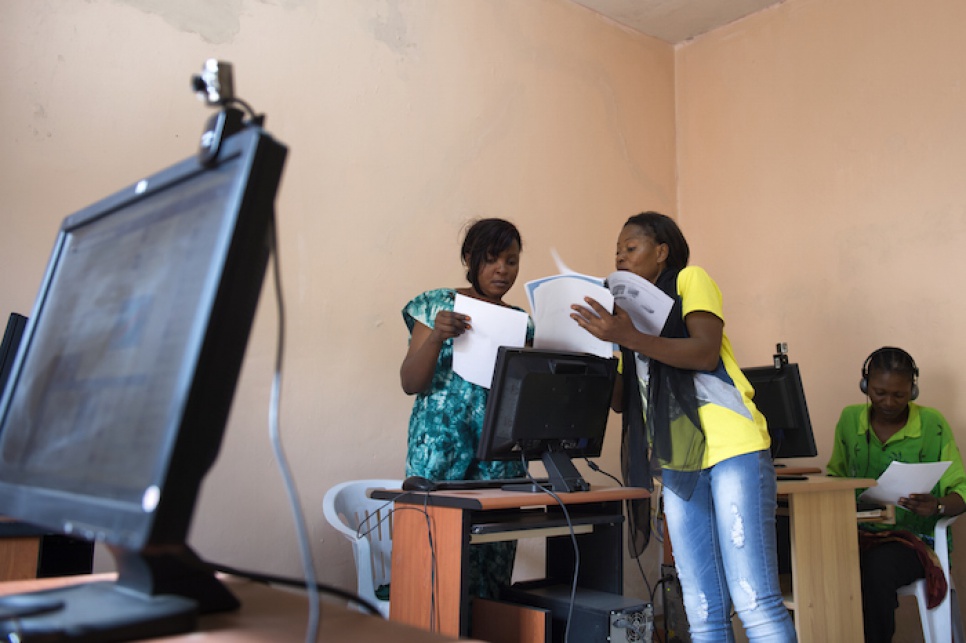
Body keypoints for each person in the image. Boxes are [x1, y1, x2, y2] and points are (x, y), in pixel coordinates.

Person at [571, 211, 797, 643]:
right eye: (616, 252)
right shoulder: (629, 318)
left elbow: (704, 352)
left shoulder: (689, 279)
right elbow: (622, 400)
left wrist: (629, 336)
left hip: (732, 448)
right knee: (702, 607)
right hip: (678, 458)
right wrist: (598, 341)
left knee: (754, 600)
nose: (620, 257)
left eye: (630, 248)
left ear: (662, 251)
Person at [399, 217, 533, 599]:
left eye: (511, 261)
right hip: (439, 457)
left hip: (500, 460)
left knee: (492, 573)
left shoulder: (521, 322)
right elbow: (411, 382)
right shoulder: (437, 305)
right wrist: (438, 336)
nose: (502, 270)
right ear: (469, 258)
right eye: (492, 259)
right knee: (433, 571)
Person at [827, 346, 966, 643]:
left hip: (915, 544)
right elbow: (835, 477)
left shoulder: (933, 424)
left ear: (913, 391)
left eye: (899, 395)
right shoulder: (851, 420)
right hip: (858, 534)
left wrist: (938, 505)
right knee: (809, 557)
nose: (888, 402)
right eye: (878, 392)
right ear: (865, 386)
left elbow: (962, 490)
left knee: (875, 568)